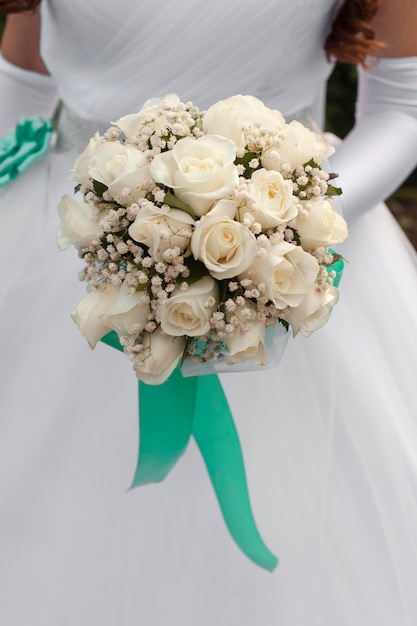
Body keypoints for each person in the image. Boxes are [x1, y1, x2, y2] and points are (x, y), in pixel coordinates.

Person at [1, 0, 417, 624]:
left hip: (293, 248)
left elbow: (401, 106)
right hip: (71, 246)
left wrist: (282, 236)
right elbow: (25, 80)